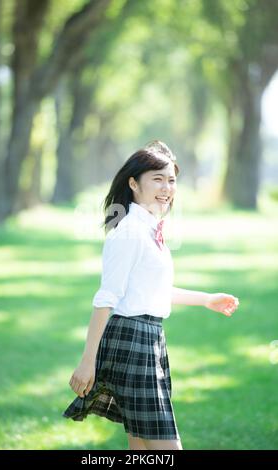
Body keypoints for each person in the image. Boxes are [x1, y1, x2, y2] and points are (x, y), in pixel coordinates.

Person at [62, 140, 239, 450]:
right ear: (134, 183)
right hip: (132, 340)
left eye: (171, 180)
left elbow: (151, 292)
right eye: (157, 178)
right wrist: (87, 362)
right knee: (167, 449)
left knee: (141, 448)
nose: (166, 187)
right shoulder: (129, 231)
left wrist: (207, 299)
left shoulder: (149, 230)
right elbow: (107, 298)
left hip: (149, 339)